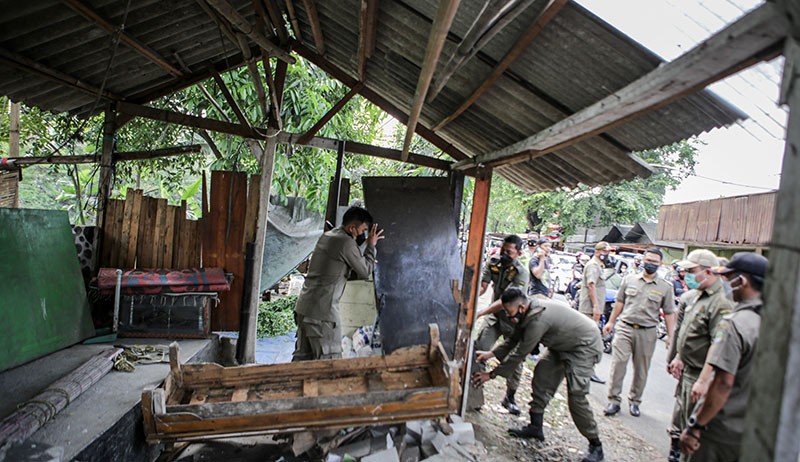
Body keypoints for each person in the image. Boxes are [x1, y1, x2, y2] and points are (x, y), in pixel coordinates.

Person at [472, 288, 605, 462]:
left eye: (508, 311)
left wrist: (491, 375)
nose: (507, 315)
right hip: (562, 345)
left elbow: (520, 352)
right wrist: (490, 354)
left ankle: (596, 445)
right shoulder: (527, 311)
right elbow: (513, 340)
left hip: (584, 346)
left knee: (576, 395)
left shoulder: (537, 320)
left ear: (520, 307)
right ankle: (536, 427)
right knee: (542, 376)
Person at [679, 252, 767, 461]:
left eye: (729, 278)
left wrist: (695, 427)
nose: (725, 283)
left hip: (721, 431)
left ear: (742, 281)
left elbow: (723, 383)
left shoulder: (736, 323)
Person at [665, 249, 734, 461]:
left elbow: (718, 345)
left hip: (701, 374)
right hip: (688, 372)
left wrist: (704, 380)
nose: (686, 275)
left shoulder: (720, 303)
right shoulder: (698, 297)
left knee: (696, 432)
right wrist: (678, 357)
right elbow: (685, 331)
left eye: (691, 271)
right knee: (685, 425)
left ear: (708, 272)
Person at [292, 206, 384, 361]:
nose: (364, 234)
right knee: (329, 362)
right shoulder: (346, 243)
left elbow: (339, 273)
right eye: (363, 230)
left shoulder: (329, 236)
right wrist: (371, 245)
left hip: (304, 308)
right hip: (322, 315)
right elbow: (364, 271)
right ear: (352, 228)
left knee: (302, 361)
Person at [602, 248, 675, 417]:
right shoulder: (630, 280)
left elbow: (670, 312)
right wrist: (611, 321)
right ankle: (614, 400)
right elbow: (620, 301)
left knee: (641, 369)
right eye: (648, 260)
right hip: (625, 328)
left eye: (655, 262)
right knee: (618, 364)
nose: (650, 264)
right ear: (643, 260)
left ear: (660, 264)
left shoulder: (665, 287)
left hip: (647, 332)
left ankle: (635, 401)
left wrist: (671, 336)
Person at [471, 234, 530, 414]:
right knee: (480, 349)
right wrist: (470, 296)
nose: (504, 254)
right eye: (503, 250)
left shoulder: (521, 273)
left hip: (512, 319)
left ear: (518, 254)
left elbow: (506, 300)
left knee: (514, 359)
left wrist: (481, 312)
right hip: (495, 317)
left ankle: (510, 397)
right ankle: (475, 395)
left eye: (509, 252)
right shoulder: (494, 262)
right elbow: (482, 286)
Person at [579, 241, 613, 384]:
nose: (608, 255)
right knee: (589, 340)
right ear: (598, 251)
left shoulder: (599, 265)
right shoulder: (593, 266)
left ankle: (586, 369)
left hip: (593, 308)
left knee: (589, 340)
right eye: (606, 252)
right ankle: (586, 370)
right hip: (589, 309)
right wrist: (596, 307)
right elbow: (591, 286)